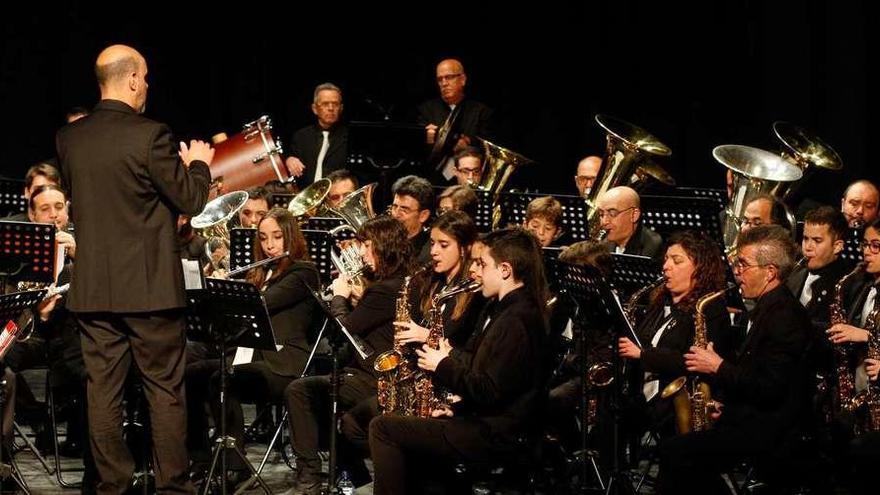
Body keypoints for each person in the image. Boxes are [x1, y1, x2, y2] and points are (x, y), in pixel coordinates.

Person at [56, 44, 214, 494]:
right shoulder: (152, 136)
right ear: (130, 80)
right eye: (144, 77)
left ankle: (111, 487)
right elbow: (192, 199)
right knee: (164, 391)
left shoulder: (69, 139)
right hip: (148, 292)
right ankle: (172, 488)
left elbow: (104, 203)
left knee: (101, 394)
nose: (147, 85)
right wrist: (198, 163)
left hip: (94, 290)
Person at [368, 227, 548, 495]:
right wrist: (457, 408)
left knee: (383, 428)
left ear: (505, 270)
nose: (476, 271)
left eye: (483, 264)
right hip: (484, 423)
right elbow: (489, 376)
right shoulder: (506, 309)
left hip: (495, 435)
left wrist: (441, 364)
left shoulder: (516, 320)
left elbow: (488, 389)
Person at [660, 225, 810, 494]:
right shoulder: (767, 307)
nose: (736, 272)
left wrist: (717, 366)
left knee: (677, 453)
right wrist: (724, 405)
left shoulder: (784, 318)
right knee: (678, 454)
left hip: (772, 430)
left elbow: (769, 389)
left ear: (770, 273)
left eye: (743, 265)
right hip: (751, 418)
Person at [282, 216, 410, 495]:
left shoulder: (385, 290)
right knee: (324, 400)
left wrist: (340, 297)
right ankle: (357, 477)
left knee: (300, 391)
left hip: (376, 376)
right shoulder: (394, 283)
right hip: (372, 371)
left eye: (367, 245)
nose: (361, 252)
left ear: (384, 247)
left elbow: (345, 330)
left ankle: (309, 479)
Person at [191, 208, 321, 483]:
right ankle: (201, 457)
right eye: (263, 238)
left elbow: (263, 302)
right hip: (251, 357)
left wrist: (228, 291)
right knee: (191, 374)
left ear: (291, 238)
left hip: (284, 363)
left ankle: (234, 465)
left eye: (277, 237)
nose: (270, 245)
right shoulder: (263, 272)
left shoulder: (304, 272)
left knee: (222, 379)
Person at [618, 231, 733, 440]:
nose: (666, 266)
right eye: (666, 260)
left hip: (676, 403)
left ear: (700, 268)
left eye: (676, 261)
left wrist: (643, 356)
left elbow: (693, 360)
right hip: (644, 394)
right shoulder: (660, 302)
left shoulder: (710, 308)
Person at [417, 58, 494, 181]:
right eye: (440, 79)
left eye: (449, 77)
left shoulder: (481, 112)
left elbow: (488, 150)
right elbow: (418, 151)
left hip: (471, 179)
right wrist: (429, 140)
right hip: (433, 178)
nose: (444, 83)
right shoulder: (426, 110)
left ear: (462, 79)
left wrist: (468, 146)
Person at [285, 83, 349, 186]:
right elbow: (289, 158)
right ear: (314, 109)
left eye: (335, 104)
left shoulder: (349, 137)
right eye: (325, 104)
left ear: (341, 108)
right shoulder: (301, 136)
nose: (331, 108)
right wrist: (289, 160)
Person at [596, 186, 663, 262]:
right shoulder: (604, 243)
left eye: (612, 214)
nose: (604, 222)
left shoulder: (652, 244)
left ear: (634, 215)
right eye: (601, 214)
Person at [390, 175, 434, 263]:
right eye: (394, 207)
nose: (396, 214)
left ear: (423, 216)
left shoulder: (428, 255)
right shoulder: (386, 243)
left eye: (404, 209)